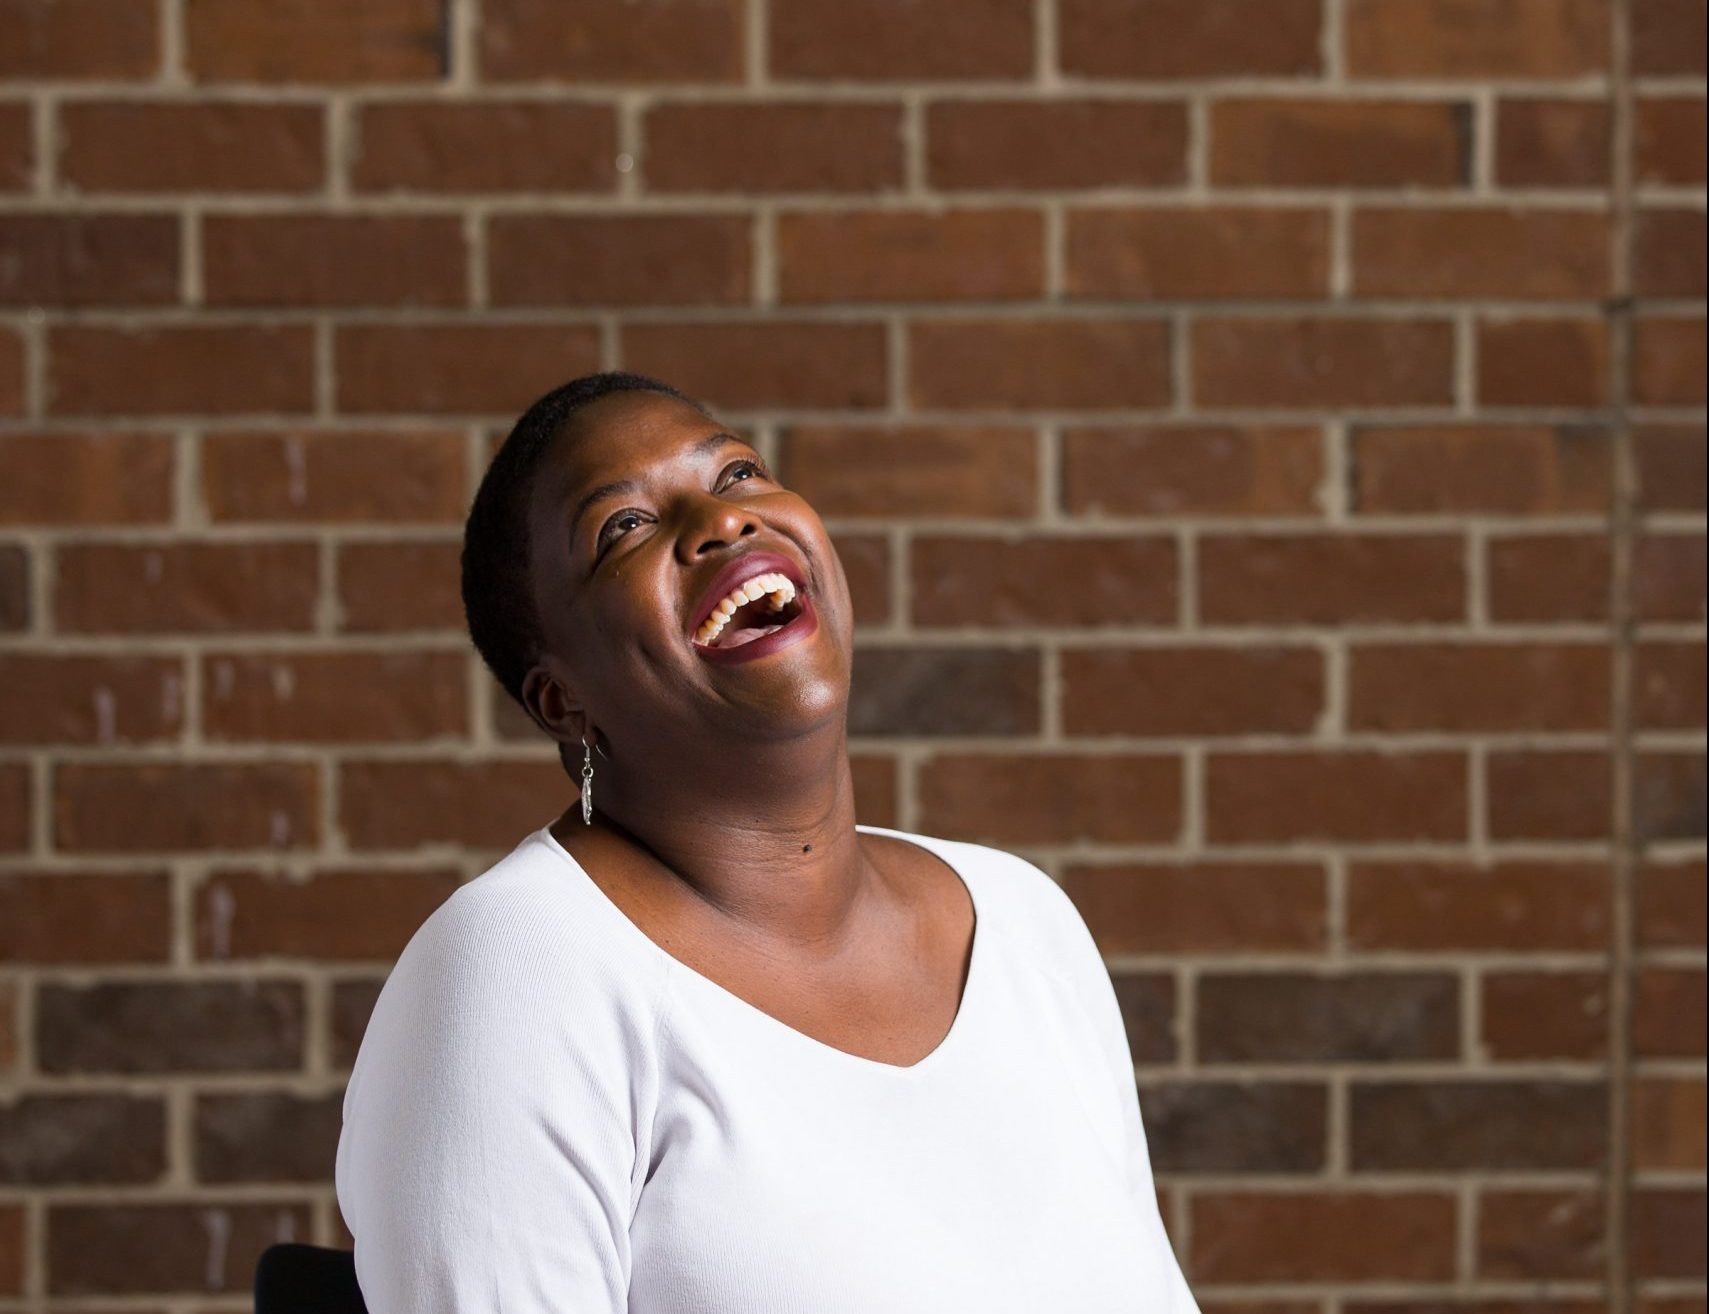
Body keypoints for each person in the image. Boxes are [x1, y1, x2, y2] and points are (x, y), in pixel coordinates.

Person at [334, 371, 1202, 1312]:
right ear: (561, 699)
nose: (721, 520)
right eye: (623, 526)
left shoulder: (1023, 921)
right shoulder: (518, 970)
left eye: (738, 473)